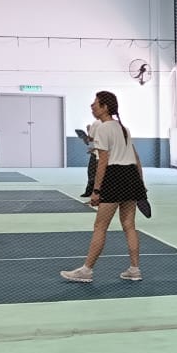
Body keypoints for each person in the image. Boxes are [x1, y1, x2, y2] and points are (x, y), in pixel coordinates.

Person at [60, 91, 148, 283]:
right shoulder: (123, 128)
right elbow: (135, 158)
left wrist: (96, 191)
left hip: (114, 177)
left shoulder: (103, 128)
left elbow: (103, 162)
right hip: (131, 176)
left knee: (100, 226)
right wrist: (140, 183)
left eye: (95, 103)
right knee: (129, 225)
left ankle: (86, 270)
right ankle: (134, 269)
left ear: (105, 107)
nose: (92, 106)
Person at [81, 120, 99, 198]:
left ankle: (95, 194)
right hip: (94, 154)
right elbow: (89, 142)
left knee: (97, 174)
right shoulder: (96, 125)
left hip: (101, 155)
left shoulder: (100, 125)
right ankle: (89, 192)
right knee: (91, 173)